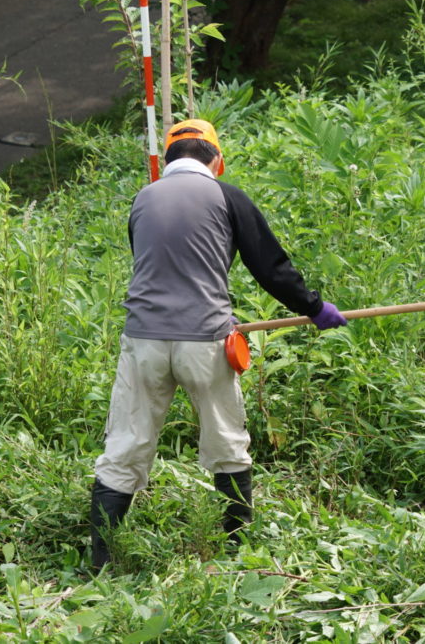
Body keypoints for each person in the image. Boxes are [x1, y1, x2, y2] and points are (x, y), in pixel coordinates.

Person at [89, 119, 347, 569]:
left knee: (125, 446)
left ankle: (100, 562)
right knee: (226, 443)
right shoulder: (227, 197)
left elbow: (156, 264)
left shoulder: (143, 199)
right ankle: (235, 557)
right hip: (205, 342)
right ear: (217, 160)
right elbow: (270, 267)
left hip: (143, 341)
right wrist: (314, 307)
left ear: (168, 161)